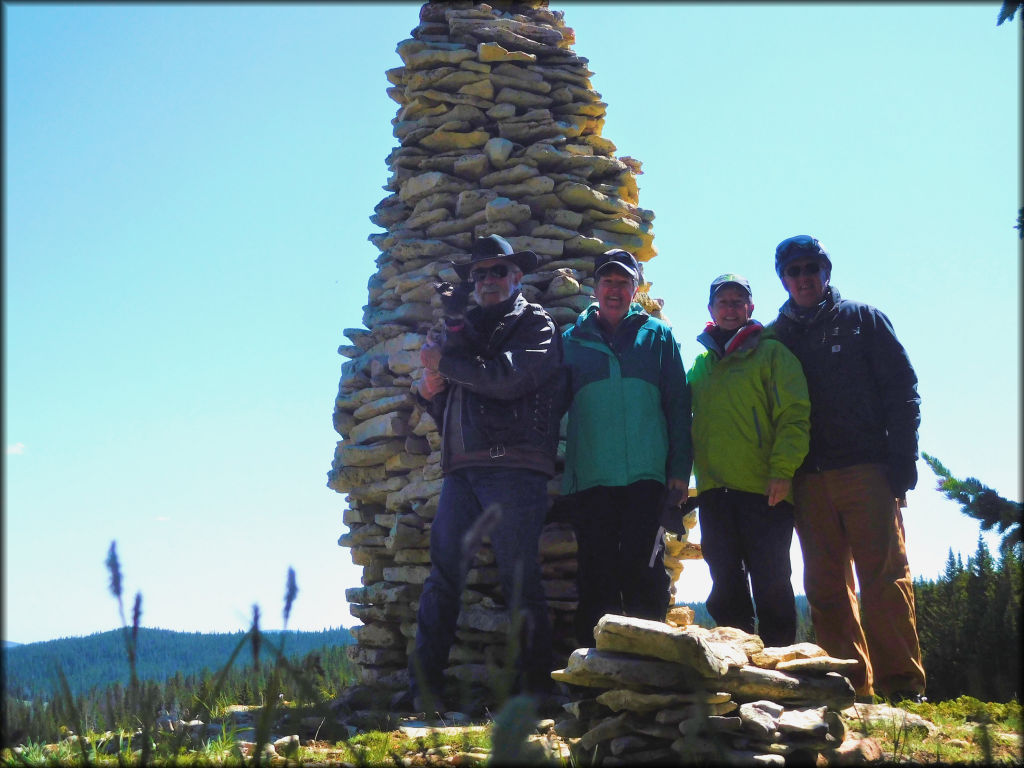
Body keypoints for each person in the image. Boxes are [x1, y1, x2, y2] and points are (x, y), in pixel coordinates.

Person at [405, 234, 563, 711]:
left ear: (517, 277)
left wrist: (446, 364)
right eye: (480, 274)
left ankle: (535, 692)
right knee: (444, 578)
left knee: (519, 579)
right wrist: (431, 390)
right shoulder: (466, 327)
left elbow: (509, 380)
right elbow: (449, 401)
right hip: (464, 472)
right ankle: (423, 690)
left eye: (498, 271)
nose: (489, 280)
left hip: (513, 470)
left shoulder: (536, 325)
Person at [769, 234, 926, 701]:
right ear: (783, 278)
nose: (803, 278)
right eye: (793, 271)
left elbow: (903, 391)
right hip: (808, 478)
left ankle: (902, 686)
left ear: (826, 272)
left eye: (811, 268)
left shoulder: (864, 320)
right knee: (825, 586)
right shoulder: (775, 336)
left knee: (884, 579)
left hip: (867, 470)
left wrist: (903, 460)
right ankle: (848, 689)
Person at [561, 248, 692, 647]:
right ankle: (595, 676)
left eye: (623, 282)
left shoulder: (659, 335)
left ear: (635, 288)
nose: (614, 289)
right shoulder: (570, 341)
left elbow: (678, 407)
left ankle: (647, 672)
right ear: (594, 288)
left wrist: (679, 473)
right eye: (607, 282)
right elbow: (549, 407)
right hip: (591, 479)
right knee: (595, 575)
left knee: (646, 575)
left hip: (646, 479)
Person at [688, 273, 810, 647]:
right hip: (714, 492)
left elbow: (794, 414)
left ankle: (782, 666)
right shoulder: (700, 365)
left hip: (765, 489)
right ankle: (738, 665)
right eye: (723, 302)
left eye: (738, 302)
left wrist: (782, 470)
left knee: (771, 580)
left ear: (750, 308)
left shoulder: (773, 354)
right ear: (711, 309)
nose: (730, 308)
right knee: (725, 583)